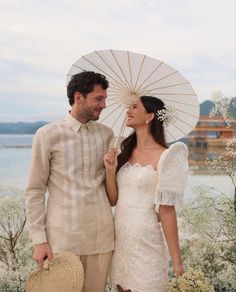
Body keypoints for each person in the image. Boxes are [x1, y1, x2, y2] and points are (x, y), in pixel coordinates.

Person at [25, 71, 115, 292]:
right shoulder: (47, 135)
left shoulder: (107, 135)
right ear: (78, 97)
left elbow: (111, 191)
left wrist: (111, 169)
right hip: (61, 241)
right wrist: (39, 240)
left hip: (101, 239)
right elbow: (35, 190)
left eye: (105, 98)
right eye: (98, 98)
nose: (104, 105)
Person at [104, 95, 189, 292]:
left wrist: (177, 263)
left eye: (134, 107)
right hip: (121, 243)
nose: (128, 110)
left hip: (147, 243)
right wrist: (110, 170)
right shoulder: (123, 149)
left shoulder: (167, 156)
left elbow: (167, 211)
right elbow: (113, 199)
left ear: (150, 116)